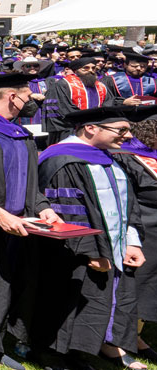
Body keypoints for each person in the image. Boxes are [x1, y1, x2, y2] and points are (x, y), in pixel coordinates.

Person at [33, 106, 146, 370]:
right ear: (91, 128)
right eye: (122, 130)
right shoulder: (63, 160)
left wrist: (131, 240)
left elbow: (129, 205)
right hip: (75, 252)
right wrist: (90, 251)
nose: (128, 136)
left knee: (106, 296)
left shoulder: (107, 158)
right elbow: (67, 210)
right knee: (70, 298)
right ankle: (59, 353)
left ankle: (101, 344)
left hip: (111, 247)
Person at [0, 73, 59, 368]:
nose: (31, 101)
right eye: (27, 96)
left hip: (21, 225)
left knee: (10, 286)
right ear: (11, 97)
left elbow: (31, 183)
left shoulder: (23, 136)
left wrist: (43, 206)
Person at [113, 111, 157, 363]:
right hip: (141, 234)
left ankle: (137, 336)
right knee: (136, 287)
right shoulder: (126, 157)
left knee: (149, 290)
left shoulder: (150, 155)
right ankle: (123, 340)